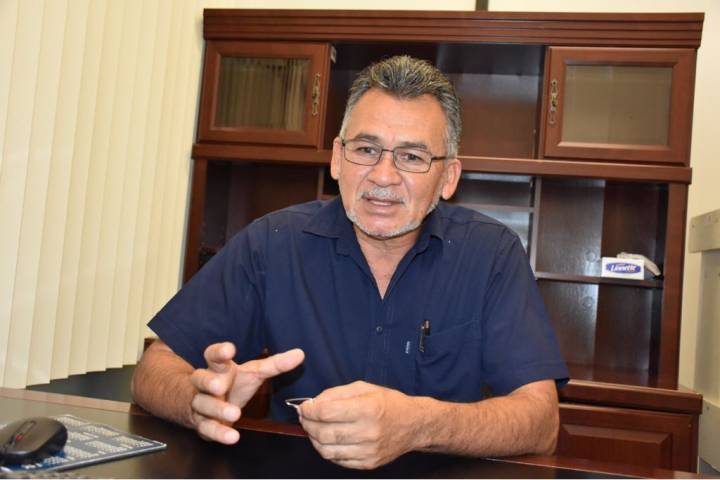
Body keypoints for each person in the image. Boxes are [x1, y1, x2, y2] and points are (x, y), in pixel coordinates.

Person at [131, 55, 569, 470]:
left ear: (448, 177)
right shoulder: (273, 243)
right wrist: (197, 402)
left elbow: (540, 421)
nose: (383, 176)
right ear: (337, 158)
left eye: (412, 157)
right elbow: (154, 370)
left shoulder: (491, 254)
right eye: (366, 149)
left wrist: (420, 424)